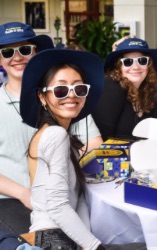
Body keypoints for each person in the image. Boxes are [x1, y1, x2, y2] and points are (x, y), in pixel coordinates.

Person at [20, 49, 147, 250]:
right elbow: (58, 206)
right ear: (42, 97)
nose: (71, 95)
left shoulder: (50, 133)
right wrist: (94, 247)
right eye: (61, 90)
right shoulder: (55, 135)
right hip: (55, 240)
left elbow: (73, 201)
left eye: (79, 89)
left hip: (65, 237)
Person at [0, 21, 101, 235]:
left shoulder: (65, 97)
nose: (17, 57)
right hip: (11, 200)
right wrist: (22, 193)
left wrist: (62, 167)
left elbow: (94, 143)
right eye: (8, 52)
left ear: (36, 53)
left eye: (25, 49)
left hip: (63, 197)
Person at [92, 37, 157, 141]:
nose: (136, 67)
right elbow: (104, 137)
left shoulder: (149, 90)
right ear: (118, 66)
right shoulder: (112, 87)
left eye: (142, 61)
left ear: (148, 66)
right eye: (128, 62)